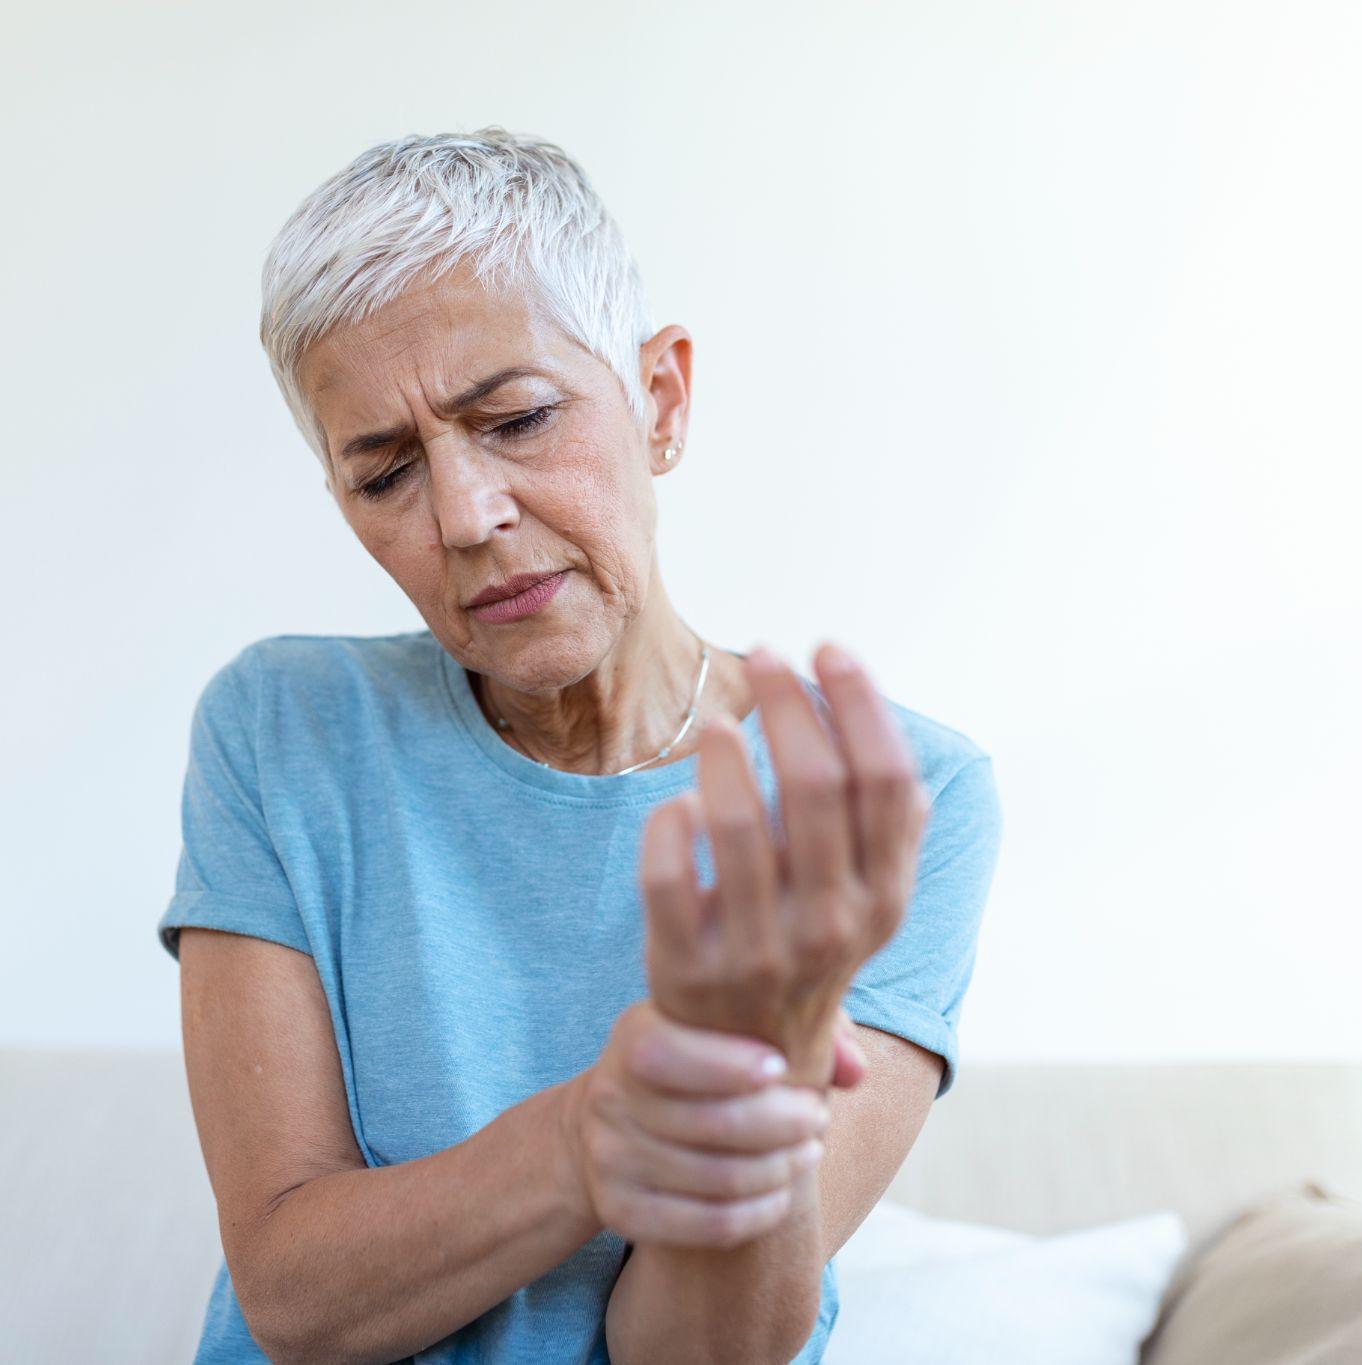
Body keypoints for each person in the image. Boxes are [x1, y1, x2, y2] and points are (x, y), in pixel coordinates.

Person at [157, 126, 1003, 1364]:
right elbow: (295, 1298)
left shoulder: (897, 802)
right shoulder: (282, 731)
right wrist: (590, 1136)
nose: (464, 515)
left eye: (514, 418)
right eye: (384, 474)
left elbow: (692, 1352)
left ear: (658, 400)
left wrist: (758, 1061)